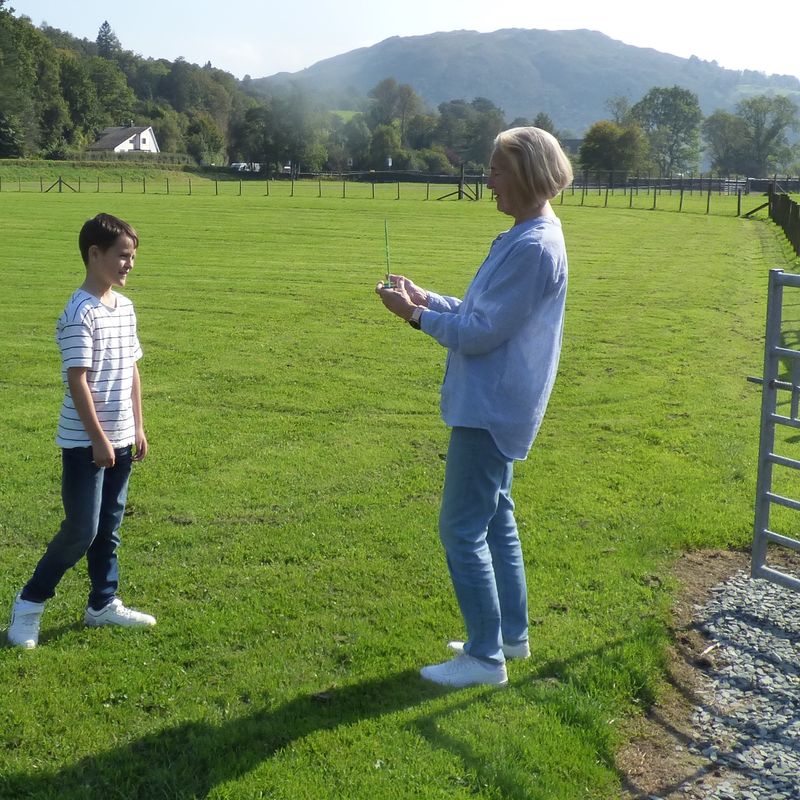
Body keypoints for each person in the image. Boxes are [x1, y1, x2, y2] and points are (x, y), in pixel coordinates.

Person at [375, 127, 573, 687]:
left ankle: (485, 658)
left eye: (496, 170)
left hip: (490, 405)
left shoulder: (534, 246)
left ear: (528, 175)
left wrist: (412, 317)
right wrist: (426, 298)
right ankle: (511, 636)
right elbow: (482, 310)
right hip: (496, 401)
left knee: (462, 528)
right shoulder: (524, 236)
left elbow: (481, 332)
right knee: (497, 519)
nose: (488, 180)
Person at [7, 213, 156, 649]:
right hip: (85, 445)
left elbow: (131, 369)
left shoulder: (124, 308)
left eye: (132, 257)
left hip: (121, 440)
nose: (129, 264)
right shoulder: (79, 312)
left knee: (109, 527)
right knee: (81, 531)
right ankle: (28, 606)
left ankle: (102, 605)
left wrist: (137, 426)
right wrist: (97, 440)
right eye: (122, 256)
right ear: (95, 254)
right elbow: (78, 381)